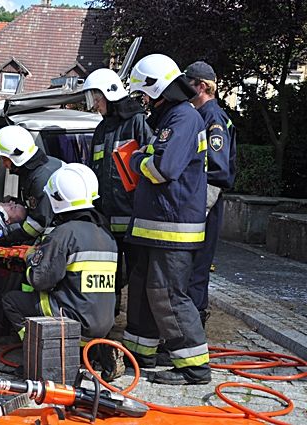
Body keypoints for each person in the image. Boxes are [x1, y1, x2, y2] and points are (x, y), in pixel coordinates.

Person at [122, 54, 211, 385]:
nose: (143, 102)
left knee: (168, 295)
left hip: (173, 229)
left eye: (144, 94)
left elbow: (164, 169)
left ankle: (194, 366)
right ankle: (139, 353)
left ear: (157, 89)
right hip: (154, 226)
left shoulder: (183, 119)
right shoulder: (170, 118)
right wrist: (146, 154)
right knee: (145, 291)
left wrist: (138, 159)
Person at [1, 163, 119, 378]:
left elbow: (40, 280)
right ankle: (96, 352)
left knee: (12, 300)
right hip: (104, 323)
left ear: (56, 198)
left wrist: (30, 259)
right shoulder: (106, 235)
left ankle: (42, 356)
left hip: (73, 322)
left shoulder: (64, 234)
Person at [83, 68, 153, 316]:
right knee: (108, 274)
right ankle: (108, 319)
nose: (95, 104)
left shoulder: (137, 122)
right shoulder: (102, 128)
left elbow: (150, 165)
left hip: (133, 218)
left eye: (96, 98)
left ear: (110, 94)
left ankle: (136, 321)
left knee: (136, 275)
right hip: (106, 219)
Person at [184, 61, 237, 328]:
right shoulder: (200, 115)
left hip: (204, 205)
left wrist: (197, 212)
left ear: (202, 87)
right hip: (197, 204)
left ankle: (191, 333)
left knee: (195, 270)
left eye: (188, 85)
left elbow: (217, 171)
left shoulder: (212, 119)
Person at [0, 125, 63, 245]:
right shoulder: (32, 171)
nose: (4, 164)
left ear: (17, 155)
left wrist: (6, 234)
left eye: (5, 159)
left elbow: (38, 224)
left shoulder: (41, 178)